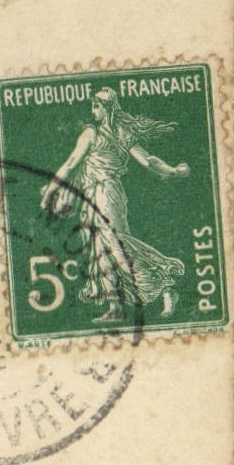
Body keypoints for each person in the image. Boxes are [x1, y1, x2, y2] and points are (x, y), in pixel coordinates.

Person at [39, 87, 189, 322]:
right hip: (105, 195)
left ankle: (163, 283)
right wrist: (173, 171)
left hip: (103, 194)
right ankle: (116, 306)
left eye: (96, 106)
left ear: (106, 108)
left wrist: (48, 194)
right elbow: (148, 161)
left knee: (112, 246)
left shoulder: (91, 133)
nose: (92, 111)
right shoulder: (123, 133)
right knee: (102, 248)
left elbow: (70, 164)